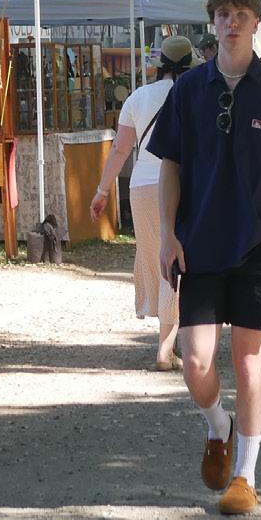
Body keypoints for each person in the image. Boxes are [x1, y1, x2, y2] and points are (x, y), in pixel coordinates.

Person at [148, 0, 261, 516]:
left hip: (260, 246)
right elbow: (170, 165)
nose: (232, 22)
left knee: (248, 359)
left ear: (256, 22)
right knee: (194, 361)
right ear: (213, 23)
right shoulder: (188, 90)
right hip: (198, 244)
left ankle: (245, 476)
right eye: (223, 13)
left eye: (241, 13)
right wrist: (168, 234)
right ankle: (217, 424)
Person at [91, 36, 195, 371]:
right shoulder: (195, 94)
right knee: (181, 263)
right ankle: (167, 348)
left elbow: (120, 149)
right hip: (184, 184)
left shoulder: (138, 97)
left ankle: (169, 342)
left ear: (159, 65)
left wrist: (102, 191)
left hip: (142, 186)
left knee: (156, 259)